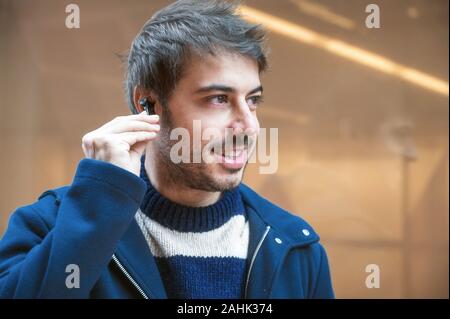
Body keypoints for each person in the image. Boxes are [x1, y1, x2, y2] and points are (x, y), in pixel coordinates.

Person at [0, 0, 334, 299]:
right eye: (219, 99)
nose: (248, 126)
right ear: (149, 104)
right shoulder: (50, 225)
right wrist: (100, 200)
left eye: (253, 100)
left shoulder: (295, 248)